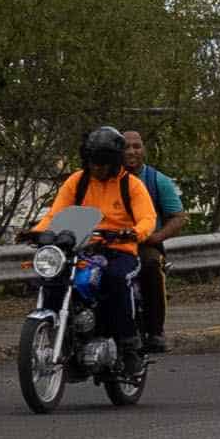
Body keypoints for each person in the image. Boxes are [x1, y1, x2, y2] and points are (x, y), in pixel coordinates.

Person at [38, 127, 158, 356]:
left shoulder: (131, 185)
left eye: (102, 163)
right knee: (54, 278)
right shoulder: (77, 181)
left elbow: (147, 217)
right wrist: (37, 233)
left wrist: (134, 232)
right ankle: (59, 329)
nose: (96, 168)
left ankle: (128, 339)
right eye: (92, 162)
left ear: (114, 162)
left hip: (119, 249)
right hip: (80, 247)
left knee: (116, 278)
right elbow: (55, 214)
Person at [119, 127, 186, 354]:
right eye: (125, 147)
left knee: (150, 266)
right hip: (111, 244)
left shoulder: (158, 181)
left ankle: (155, 331)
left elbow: (178, 216)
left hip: (144, 244)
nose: (131, 152)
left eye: (136, 146)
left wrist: (156, 237)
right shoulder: (106, 179)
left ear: (144, 149)